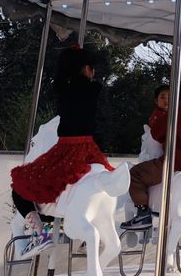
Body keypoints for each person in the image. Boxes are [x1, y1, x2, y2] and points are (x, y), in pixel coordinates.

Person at [10, 44, 112, 257]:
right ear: (86, 69)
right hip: (89, 149)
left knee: (22, 183)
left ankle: (39, 229)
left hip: (67, 148)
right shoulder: (93, 89)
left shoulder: (62, 90)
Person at [121, 79, 181, 230]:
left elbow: (156, 132)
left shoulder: (175, 114)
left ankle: (142, 213)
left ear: (178, 98)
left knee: (135, 173)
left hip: (174, 164)